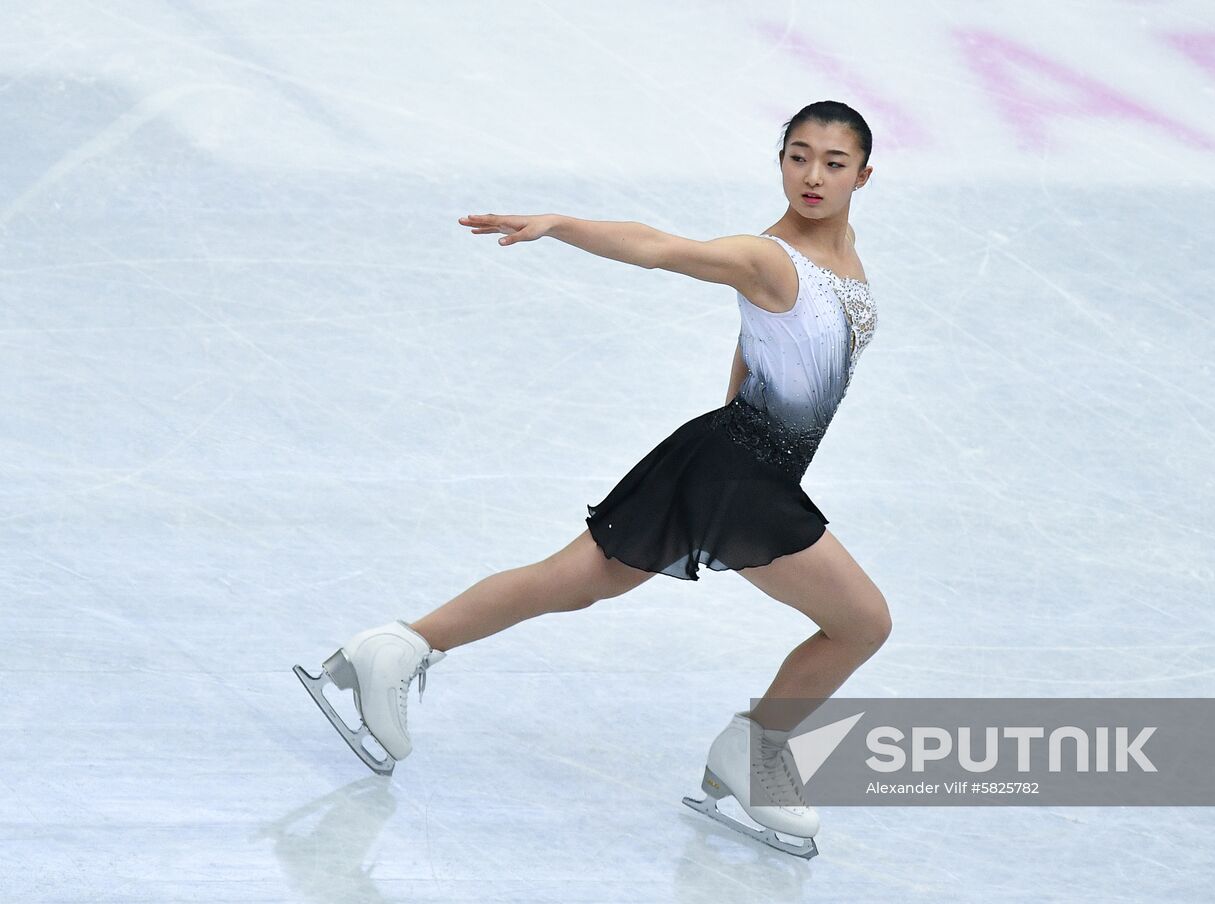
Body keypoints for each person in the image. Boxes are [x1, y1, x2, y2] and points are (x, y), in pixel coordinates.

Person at [293, 100, 888, 859]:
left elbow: (755, 348)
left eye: (832, 163)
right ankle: (755, 755)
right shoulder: (768, 258)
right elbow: (657, 248)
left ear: (863, 176)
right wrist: (563, 224)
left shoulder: (840, 257)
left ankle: (397, 648)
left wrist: (731, 444)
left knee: (575, 580)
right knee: (863, 623)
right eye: (797, 156)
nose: (811, 176)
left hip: (725, 458)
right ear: (780, 162)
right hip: (741, 471)